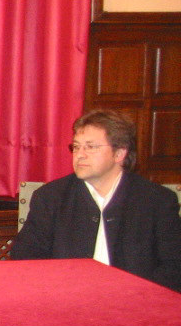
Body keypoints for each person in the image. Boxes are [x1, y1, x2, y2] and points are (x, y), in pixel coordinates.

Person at [11, 110, 181, 292]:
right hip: (66, 299)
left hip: (138, 301)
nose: (80, 155)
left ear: (119, 153)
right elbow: (25, 258)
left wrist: (137, 295)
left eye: (90, 147)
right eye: (76, 147)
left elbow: (174, 266)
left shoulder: (157, 201)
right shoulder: (50, 197)